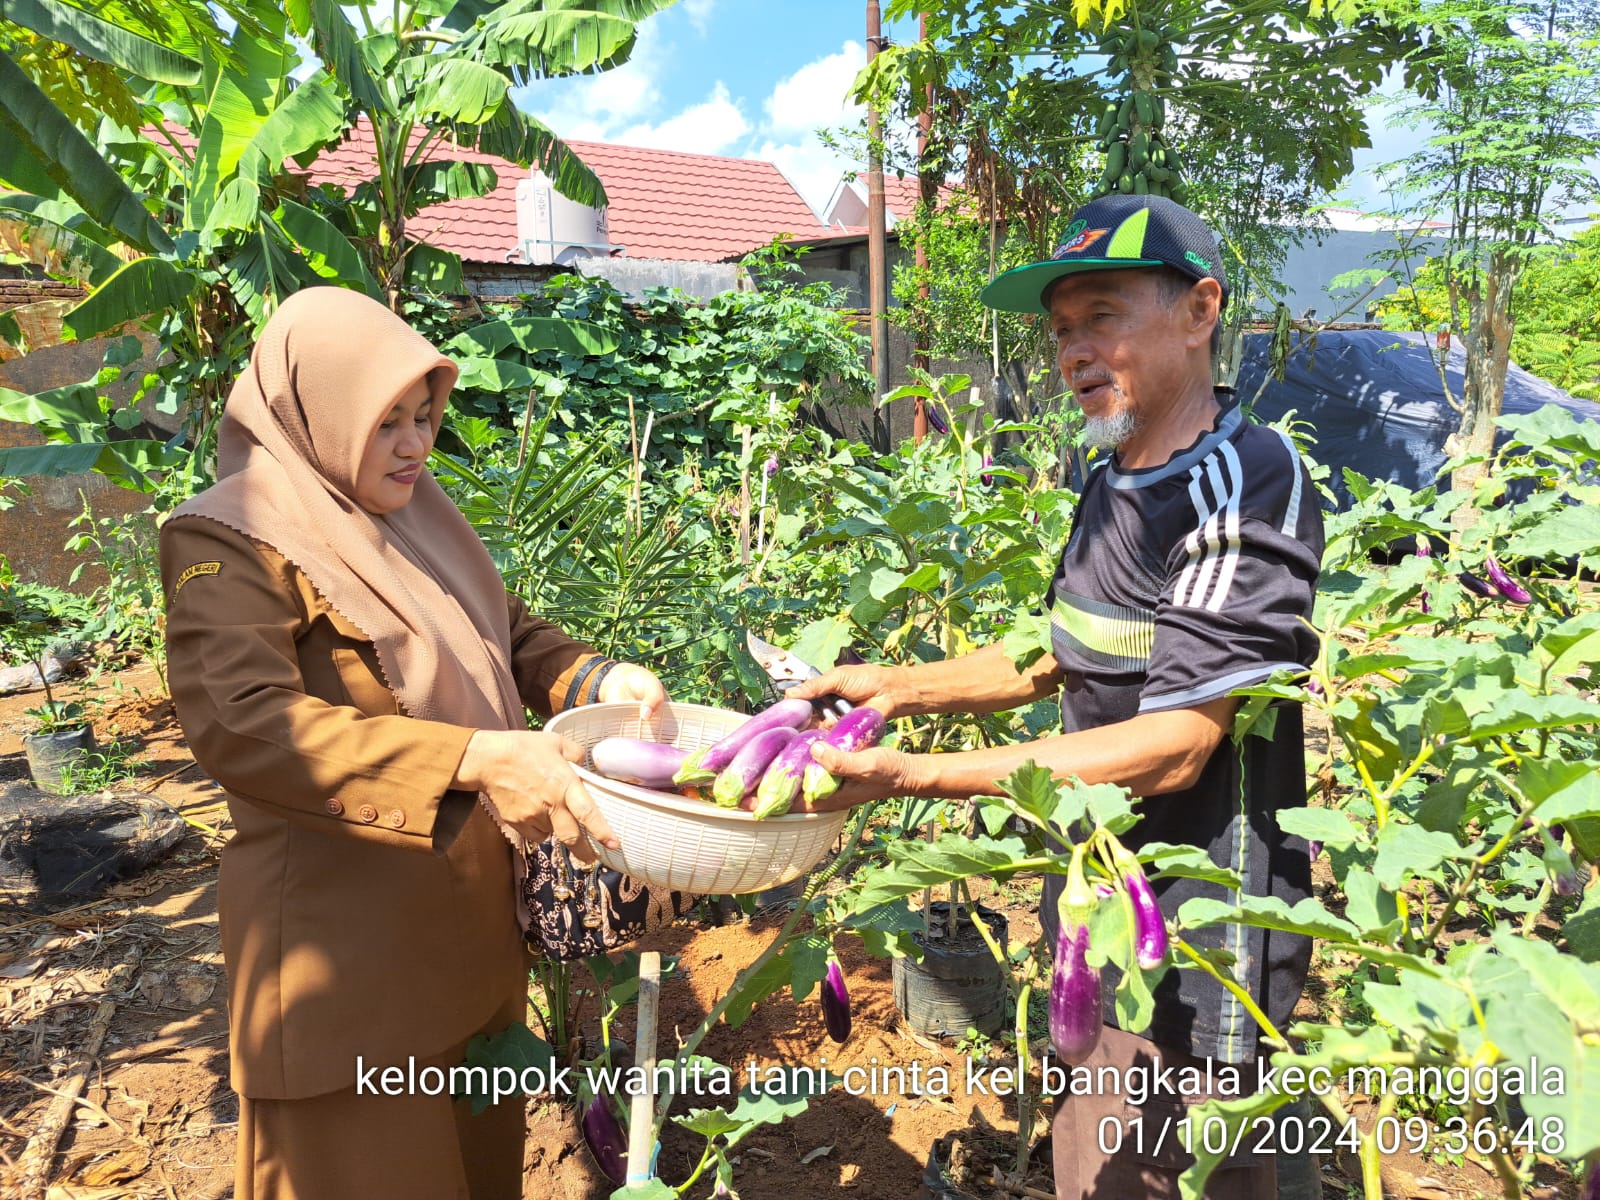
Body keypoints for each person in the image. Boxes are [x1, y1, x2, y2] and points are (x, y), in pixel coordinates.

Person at [791, 194, 1323, 1200]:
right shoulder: (1111, 470)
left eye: (1102, 316)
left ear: (1199, 310)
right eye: (1060, 330)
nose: (1072, 350)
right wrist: (894, 688)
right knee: (1093, 1130)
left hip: (1203, 914)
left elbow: (1177, 742)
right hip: (1096, 888)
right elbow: (1057, 656)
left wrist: (915, 776)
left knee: (1181, 1156)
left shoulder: (1248, 482)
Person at [159, 287, 667, 1200]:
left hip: (469, 941)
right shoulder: (232, 538)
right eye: (384, 418)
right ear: (315, 407)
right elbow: (242, 721)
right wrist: (472, 757)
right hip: (345, 964)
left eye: (423, 415)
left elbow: (500, 632)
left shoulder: (415, 521)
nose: (412, 443)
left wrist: (597, 680)